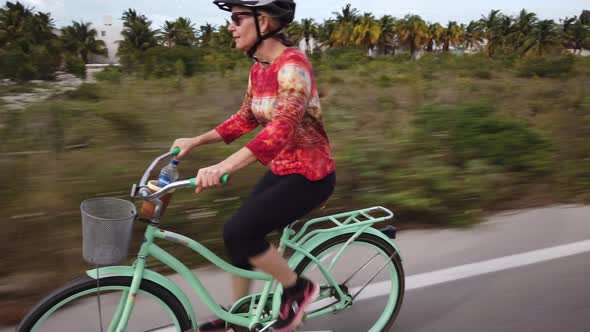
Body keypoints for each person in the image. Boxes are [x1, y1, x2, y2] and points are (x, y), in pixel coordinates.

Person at [170, 0, 335, 331]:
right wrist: (195, 140)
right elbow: (243, 119)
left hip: (310, 175)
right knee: (237, 236)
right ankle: (240, 317)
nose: (230, 26)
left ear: (265, 21)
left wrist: (224, 166)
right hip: (282, 169)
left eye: (237, 18)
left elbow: (281, 128)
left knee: (240, 231)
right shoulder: (260, 68)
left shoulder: (293, 66)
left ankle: (298, 289)